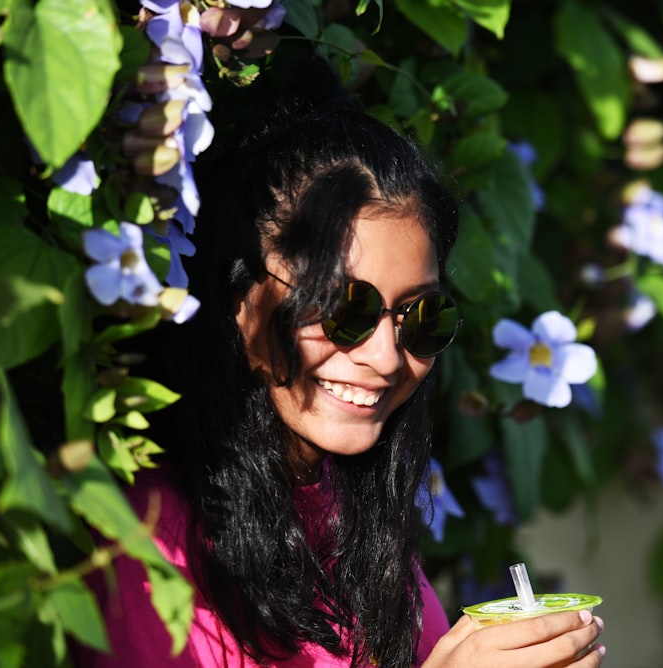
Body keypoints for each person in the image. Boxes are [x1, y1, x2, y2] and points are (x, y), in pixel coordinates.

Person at [80, 46, 606, 668]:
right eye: (343, 309)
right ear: (237, 301)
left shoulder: (363, 538)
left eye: (422, 318)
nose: (385, 356)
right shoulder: (142, 544)